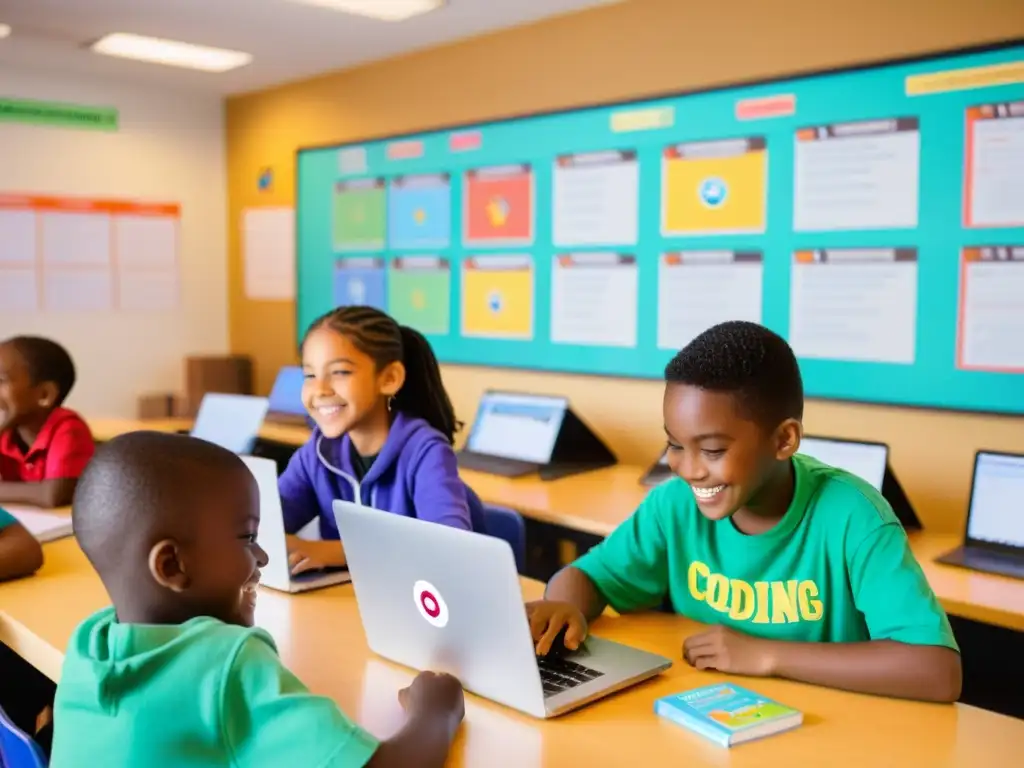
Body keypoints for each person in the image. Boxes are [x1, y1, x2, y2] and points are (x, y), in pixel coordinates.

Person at [527, 321, 962, 703]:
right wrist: (563, 606)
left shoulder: (855, 518)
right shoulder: (675, 503)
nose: (690, 469)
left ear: (784, 440)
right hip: (710, 713)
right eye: (675, 445)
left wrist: (766, 653)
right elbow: (588, 576)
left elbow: (937, 671)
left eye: (713, 450)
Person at [50, 431, 466, 767]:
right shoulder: (227, 663)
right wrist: (436, 711)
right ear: (172, 566)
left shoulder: (88, 644)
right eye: (247, 537)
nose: (263, 555)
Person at [280, 306, 483, 576]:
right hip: (347, 601)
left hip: (421, 605)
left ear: (389, 378)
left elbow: (450, 547)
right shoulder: (317, 453)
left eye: (340, 372)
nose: (320, 390)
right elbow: (264, 524)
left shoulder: (425, 451)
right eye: (309, 375)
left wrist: (331, 552)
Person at [0, 335, 95, 508]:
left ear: (44, 395)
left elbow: (52, 495)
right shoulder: (7, 433)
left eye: (0, 381)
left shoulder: (68, 428)